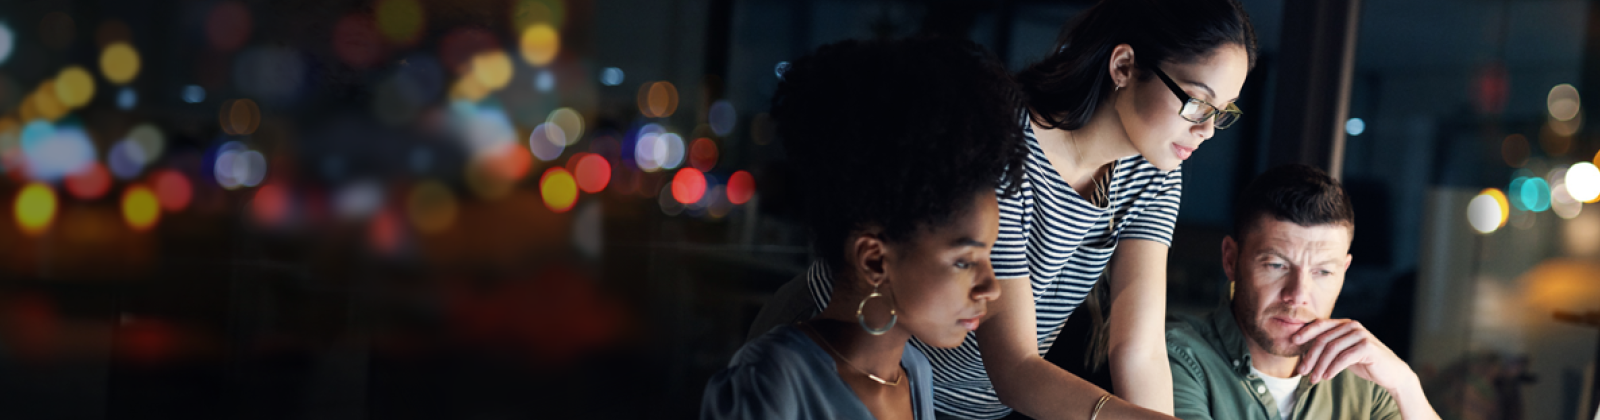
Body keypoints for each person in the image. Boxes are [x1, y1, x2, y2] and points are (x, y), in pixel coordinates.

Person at [701, 37, 1028, 420]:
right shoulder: (771, 380)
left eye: (988, 255)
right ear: (874, 260)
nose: (992, 286)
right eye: (964, 261)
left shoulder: (914, 374)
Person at [1166, 164, 1441, 420]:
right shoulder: (1176, 357)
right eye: (1276, 265)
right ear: (1231, 260)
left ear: (1343, 272)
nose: (1298, 295)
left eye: (1323, 272)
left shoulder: (1367, 383)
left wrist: (1406, 384)